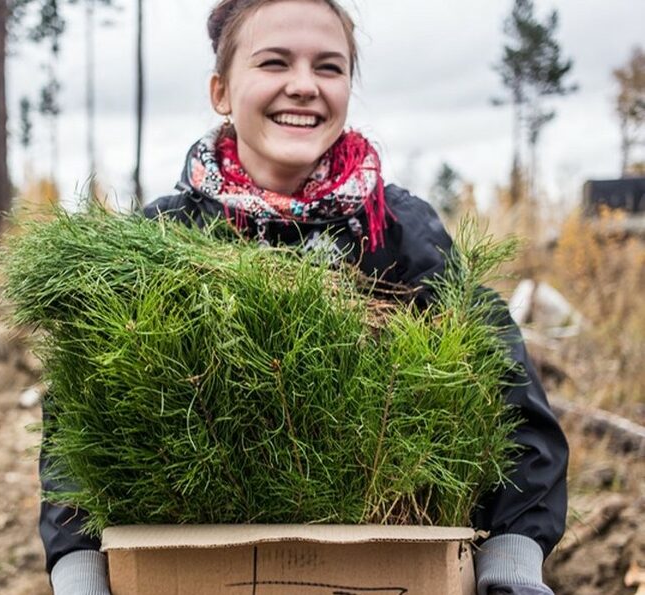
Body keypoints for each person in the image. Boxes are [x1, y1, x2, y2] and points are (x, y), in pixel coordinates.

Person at [40, 1, 568, 594]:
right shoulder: (160, 241)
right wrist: (79, 571)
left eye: (329, 67)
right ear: (221, 90)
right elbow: (79, 428)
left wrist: (512, 563)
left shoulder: (399, 236)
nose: (303, 86)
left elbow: (510, 401)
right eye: (274, 63)